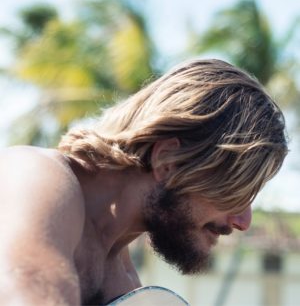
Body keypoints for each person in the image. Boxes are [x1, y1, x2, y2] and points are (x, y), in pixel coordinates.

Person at [0, 59, 287, 305]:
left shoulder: (126, 286)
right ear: (168, 160)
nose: (243, 221)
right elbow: (26, 290)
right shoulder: (34, 175)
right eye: (236, 190)